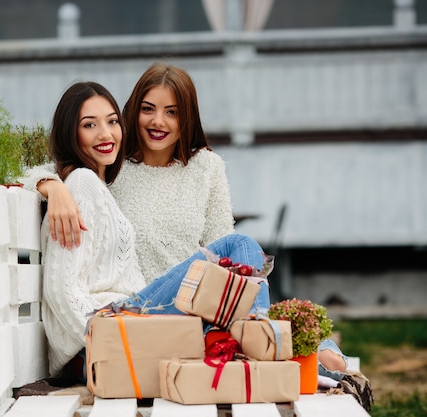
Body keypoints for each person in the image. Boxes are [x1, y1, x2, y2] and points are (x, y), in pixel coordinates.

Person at [27, 63, 347, 379]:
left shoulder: (205, 167)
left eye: (172, 112)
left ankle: (269, 336)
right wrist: (50, 185)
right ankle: (271, 344)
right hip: (140, 313)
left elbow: (227, 259)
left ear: (187, 117)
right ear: (134, 111)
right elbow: (45, 172)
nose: (158, 121)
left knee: (237, 255)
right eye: (148, 109)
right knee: (242, 246)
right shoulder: (112, 164)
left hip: (190, 308)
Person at [40, 81, 267, 381]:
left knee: (227, 297)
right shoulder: (82, 183)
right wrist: (100, 340)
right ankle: (265, 338)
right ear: (71, 133)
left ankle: (273, 341)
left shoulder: (99, 184)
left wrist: (50, 183)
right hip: (113, 330)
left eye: (111, 122)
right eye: (89, 125)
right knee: (237, 245)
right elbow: (60, 288)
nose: (105, 134)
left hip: (129, 321)